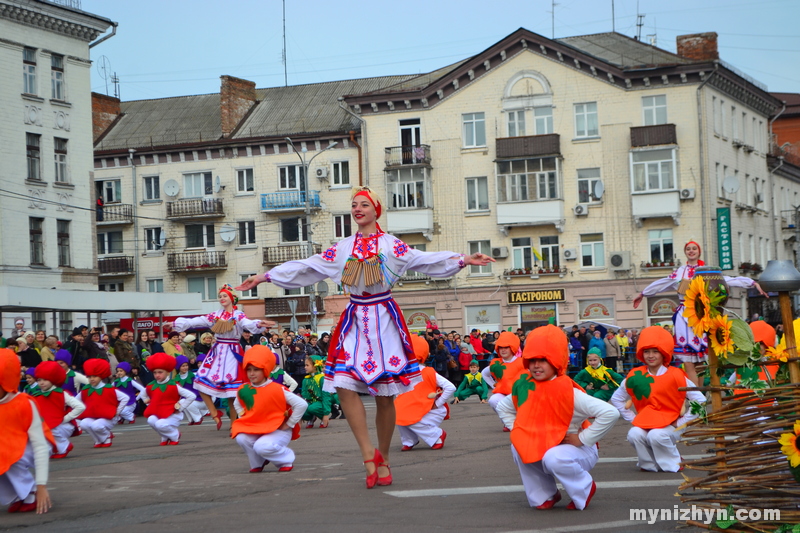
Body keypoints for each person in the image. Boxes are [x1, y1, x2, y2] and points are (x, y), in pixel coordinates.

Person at [236, 186, 493, 489]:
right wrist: (266, 276)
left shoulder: (390, 245)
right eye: (354, 205)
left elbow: (423, 260)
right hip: (355, 321)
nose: (357, 209)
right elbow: (309, 267)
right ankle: (367, 455)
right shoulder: (343, 248)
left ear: (376, 210)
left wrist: (463, 259)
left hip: (384, 322)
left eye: (364, 205)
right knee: (344, 386)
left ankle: (382, 455)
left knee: (385, 397)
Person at [496, 325, 619, 511]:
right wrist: (518, 429)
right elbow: (503, 407)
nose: (536, 365)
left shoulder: (569, 391)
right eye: (532, 359)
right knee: (519, 444)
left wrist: (583, 438)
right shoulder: (524, 386)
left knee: (554, 457)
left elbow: (610, 413)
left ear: (557, 362)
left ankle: (583, 488)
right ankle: (545, 494)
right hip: (542, 443)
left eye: (544, 360)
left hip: (575, 449)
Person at [632, 240, 767, 386]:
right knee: (688, 362)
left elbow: (726, 280)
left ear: (699, 251)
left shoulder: (705, 271)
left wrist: (752, 283)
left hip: (702, 315)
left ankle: (700, 394)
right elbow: (663, 283)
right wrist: (643, 293)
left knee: (700, 360)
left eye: (694, 248)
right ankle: (697, 395)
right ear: (685, 252)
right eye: (688, 249)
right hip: (685, 317)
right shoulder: (680, 271)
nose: (691, 251)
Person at [167, 284, 270, 430]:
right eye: (220, 296)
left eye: (225, 296)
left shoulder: (238, 315)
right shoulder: (215, 315)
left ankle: (235, 424)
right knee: (199, 381)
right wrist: (174, 324)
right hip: (216, 353)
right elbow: (197, 321)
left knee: (232, 393)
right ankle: (215, 413)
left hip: (232, 352)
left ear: (232, 298)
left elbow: (247, 323)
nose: (222, 298)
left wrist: (259, 323)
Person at [610, 326, 706, 473]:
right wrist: (634, 418)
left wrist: (681, 422)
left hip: (671, 424)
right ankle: (648, 464)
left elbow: (700, 400)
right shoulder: (636, 375)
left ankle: (674, 462)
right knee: (634, 433)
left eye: (655, 351)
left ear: (664, 353)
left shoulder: (676, 375)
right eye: (647, 351)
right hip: (646, 422)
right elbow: (617, 398)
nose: (650, 355)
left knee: (657, 435)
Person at [231, 346, 308, 473]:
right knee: (242, 438)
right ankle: (258, 462)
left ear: (266, 369)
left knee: (262, 446)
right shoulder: (244, 389)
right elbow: (237, 403)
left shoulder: (277, 389)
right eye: (249, 369)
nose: (251, 373)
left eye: (256, 370)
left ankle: (285, 459)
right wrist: (244, 417)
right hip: (256, 428)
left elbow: (301, 404)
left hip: (278, 429)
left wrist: (289, 424)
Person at [0, 349, 53, 514]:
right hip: (11, 444)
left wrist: (41, 484)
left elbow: (40, 446)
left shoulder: (25, 403)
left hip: (35, 445)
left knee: (10, 455)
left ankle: (30, 493)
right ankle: (18, 495)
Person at [396, 335, 455, 451]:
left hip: (432, 409)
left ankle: (437, 435)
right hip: (415, 408)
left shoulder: (427, 372)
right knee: (399, 415)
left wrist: (438, 403)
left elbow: (450, 387)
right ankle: (409, 440)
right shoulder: (402, 374)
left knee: (411, 419)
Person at [138, 353, 197, 446]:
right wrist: (149, 404)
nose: (157, 375)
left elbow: (191, 396)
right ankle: (165, 436)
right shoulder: (151, 385)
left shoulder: (174, 385)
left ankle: (174, 435)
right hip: (158, 412)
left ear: (168, 373)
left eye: (160, 372)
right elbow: (143, 394)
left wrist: (180, 408)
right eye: (155, 372)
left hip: (172, 414)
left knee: (160, 424)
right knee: (151, 420)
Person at [31, 361, 85, 459]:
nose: (41, 382)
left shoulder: (61, 393)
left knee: (50, 428)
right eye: (39, 380)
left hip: (63, 426)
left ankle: (64, 445)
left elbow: (80, 407)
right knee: (42, 452)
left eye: (45, 379)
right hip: (47, 427)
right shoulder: (37, 395)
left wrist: (65, 419)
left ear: (53, 379)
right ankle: (53, 448)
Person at [77, 359, 127, 449]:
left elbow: (125, 398)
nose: (92, 379)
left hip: (108, 417)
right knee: (84, 423)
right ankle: (98, 440)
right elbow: (75, 401)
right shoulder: (85, 390)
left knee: (96, 425)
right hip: (93, 416)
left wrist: (117, 411)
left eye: (95, 376)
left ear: (101, 376)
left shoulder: (110, 389)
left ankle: (107, 436)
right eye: (89, 376)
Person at [484, 331, 525, 432]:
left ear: (512, 348)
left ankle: (521, 422)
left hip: (520, 395)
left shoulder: (522, 362)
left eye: (506, 347)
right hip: (503, 394)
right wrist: (495, 386)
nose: (503, 350)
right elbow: (484, 374)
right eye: (500, 347)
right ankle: (507, 422)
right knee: (493, 400)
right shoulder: (496, 363)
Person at [174, 355, 207, 425]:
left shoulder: (193, 376)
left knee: (187, 401)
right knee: (182, 402)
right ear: (178, 367)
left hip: (198, 398)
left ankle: (198, 418)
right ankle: (191, 419)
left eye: (186, 365)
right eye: (183, 366)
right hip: (187, 398)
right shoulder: (177, 379)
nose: (185, 367)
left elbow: (198, 389)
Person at [301, 356, 332, 429]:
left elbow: (326, 396)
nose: (305, 367)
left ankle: (323, 418)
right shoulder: (306, 380)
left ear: (315, 366)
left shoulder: (321, 378)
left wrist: (326, 414)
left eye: (307, 365)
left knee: (313, 408)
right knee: (301, 408)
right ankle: (311, 417)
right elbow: (304, 394)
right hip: (311, 403)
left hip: (320, 403)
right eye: (305, 365)